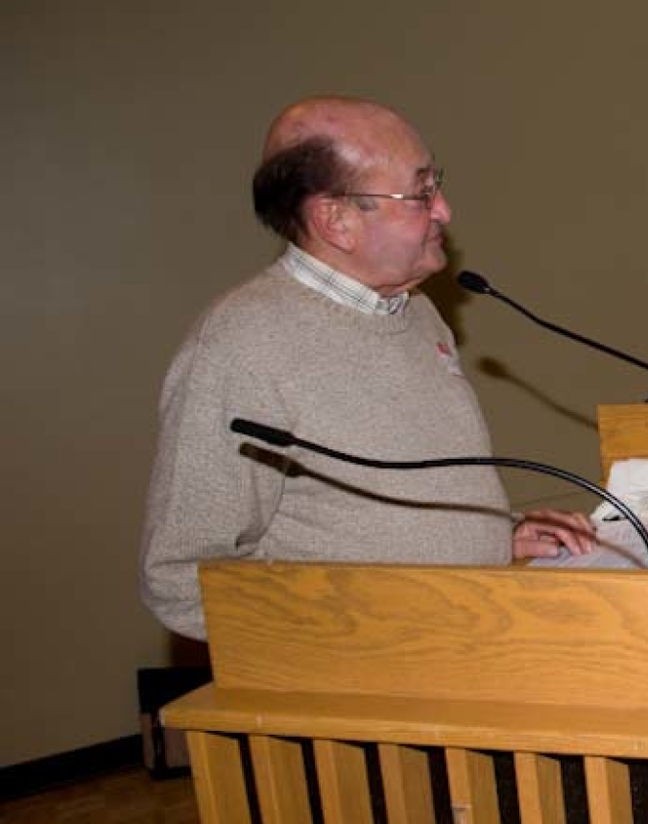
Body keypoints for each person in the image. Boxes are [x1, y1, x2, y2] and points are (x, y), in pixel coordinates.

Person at [141, 97, 597, 641]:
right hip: (367, 687)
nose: (445, 210)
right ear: (336, 221)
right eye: (421, 192)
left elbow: (378, 513)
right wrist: (369, 629)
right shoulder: (240, 345)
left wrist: (497, 534)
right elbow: (181, 581)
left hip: (469, 642)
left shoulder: (417, 311)